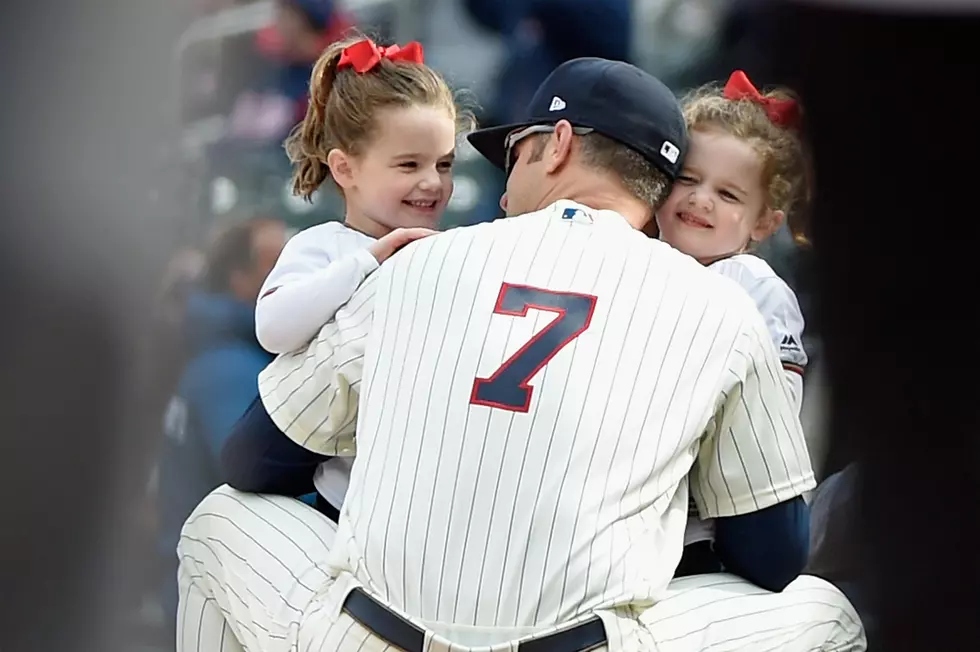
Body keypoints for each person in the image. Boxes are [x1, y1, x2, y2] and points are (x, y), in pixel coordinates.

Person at [177, 57, 864, 651]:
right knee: (824, 615)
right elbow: (772, 557)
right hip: (591, 644)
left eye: (515, 155)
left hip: (369, 638)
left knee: (223, 520)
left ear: (558, 144)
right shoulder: (724, 309)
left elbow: (252, 459)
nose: (501, 187)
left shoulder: (412, 263)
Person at [223, 35, 467, 519]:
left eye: (444, 164)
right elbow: (272, 327)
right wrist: (368, 262)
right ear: (345, 168)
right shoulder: (326, 246)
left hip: (427, 498)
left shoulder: (452, 250)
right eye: (409, 165)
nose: (433, 182)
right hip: (344, 504)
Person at [653, 70, 812, 576]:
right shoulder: (638, 258)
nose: (700, 200)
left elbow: (770, 424)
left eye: (728, 195)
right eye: (688, 180)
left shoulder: (753, 285)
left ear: (764, 223)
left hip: (705, 533)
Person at [155, 218, 286, 640]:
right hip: (223, 600)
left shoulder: (218, 350)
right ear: (240, 279)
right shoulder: (230, 369)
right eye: (277, 263)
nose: (295, 272)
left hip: (205, 587)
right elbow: (258, 481)